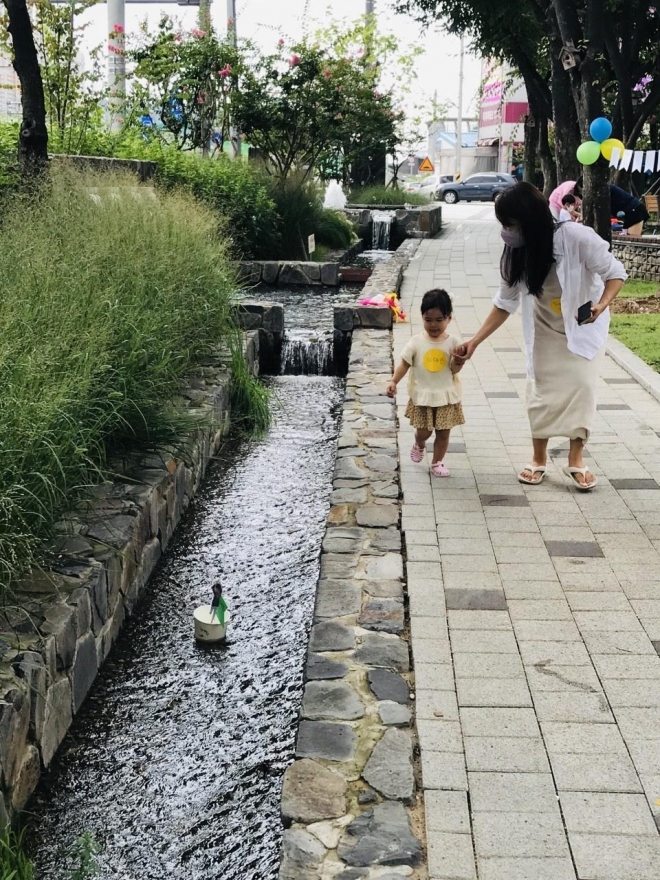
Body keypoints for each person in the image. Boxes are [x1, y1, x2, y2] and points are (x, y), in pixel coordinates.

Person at [454, 182, 627, 490]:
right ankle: (538, 458)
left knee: (582, 388)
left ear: (530, 220)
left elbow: (616, 273)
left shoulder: (576, 238)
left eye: (511, 224)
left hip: (582, 325)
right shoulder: (515, 253)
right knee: (541, 392)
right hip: (544, 326)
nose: (507, 231)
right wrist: (475, 341)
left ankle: (576, 459)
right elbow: (504, 303)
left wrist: (601, 305)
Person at [386, 289, 464, 477]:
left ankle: (437, 462)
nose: (434, 325)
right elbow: (405, 363)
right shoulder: (416, 342)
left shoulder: (453, 342)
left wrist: (459, 361)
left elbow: (453, 369)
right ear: (422, 317)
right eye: (428, 320)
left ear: (449, 318)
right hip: (423, 396)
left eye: (439, 320)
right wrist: (393, 381)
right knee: (424, 432)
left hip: (445, 395)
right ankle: (419, 444)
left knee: (444, 433)